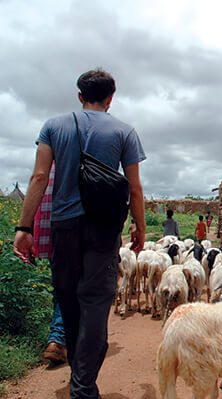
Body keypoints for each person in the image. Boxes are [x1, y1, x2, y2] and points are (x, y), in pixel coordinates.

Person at [13, 68, 146, 399]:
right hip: (103, 230)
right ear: (111, 97)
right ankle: (83, 386)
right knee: (97, 303)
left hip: (64, 228)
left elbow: (39, 177)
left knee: (68, 299)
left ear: (79, 95)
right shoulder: (125, 131)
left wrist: (23, 227)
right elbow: (135, 188)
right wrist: (139, 227)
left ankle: (79, 376)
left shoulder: (53, 126)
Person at [33, 163, 67, 365]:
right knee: (83, 288)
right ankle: (63, 339)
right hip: (78, 230)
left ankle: (57, 339)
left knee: (61, 289)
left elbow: (37, 181)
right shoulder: (82, 157)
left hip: (50, 231)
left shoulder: (48, 166)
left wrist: (24, 227)